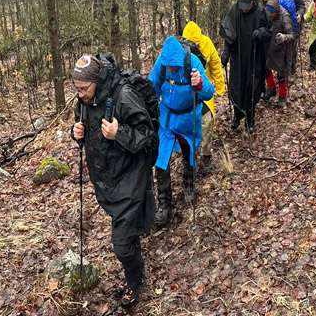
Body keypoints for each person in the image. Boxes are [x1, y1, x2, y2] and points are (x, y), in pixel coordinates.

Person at [70, 53, 155, 307]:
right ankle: (133, 251)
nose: (80, 94)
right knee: (127, 234)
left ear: (97, 80)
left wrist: (120, 133)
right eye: (76, 88)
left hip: (131, 176)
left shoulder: (123, 96)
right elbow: (85, 129)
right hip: (107, 179)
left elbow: (146, 134)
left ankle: (135, 280)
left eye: (84, 88)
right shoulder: (84, 101)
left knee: (121, 244)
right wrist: (76, 133)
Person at [147, 35, 214, 227]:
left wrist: (199, 84)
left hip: (188, 117)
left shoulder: (191, 62)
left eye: (174, 67)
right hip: (167, 116)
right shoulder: (163, 62)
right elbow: (152, 86)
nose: (171, 70)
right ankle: (164, 204)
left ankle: (189, 184)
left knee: (189, 152)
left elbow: (208, 92)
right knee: (161, 159)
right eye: (169, 67)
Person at [221, 0, 269, 134]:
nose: (244, 9)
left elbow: (269, 31)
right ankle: (237, 115)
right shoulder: (235, 10)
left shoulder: (260, 11)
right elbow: (228, 34)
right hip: (238, 57)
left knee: (251, 87)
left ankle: (250, 119)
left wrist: (260, 32)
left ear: (252, 2)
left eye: (246, 6)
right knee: (237, 86)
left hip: (254, 58)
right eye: (242, 6)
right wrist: (225, 54)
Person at [180, 21, 224, 164]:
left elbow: (216, 65)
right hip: (186, 93)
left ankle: (206, 155)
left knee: (206, 122)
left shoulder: (207, 43)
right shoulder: (180, 50)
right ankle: (189, 156)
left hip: (204, 91)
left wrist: (219, 86)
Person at [263, 0, 298, 106]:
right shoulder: (267, 13)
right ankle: (271, 88)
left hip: (282, 49)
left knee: (281, 73)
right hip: (270, 45)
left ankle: (283, 96)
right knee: (266, 67)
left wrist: (284, 37)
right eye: (269, 13)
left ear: (276, 11)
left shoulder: (285, 16)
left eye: (272, 13)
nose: (270, 15)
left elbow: (293, 35)